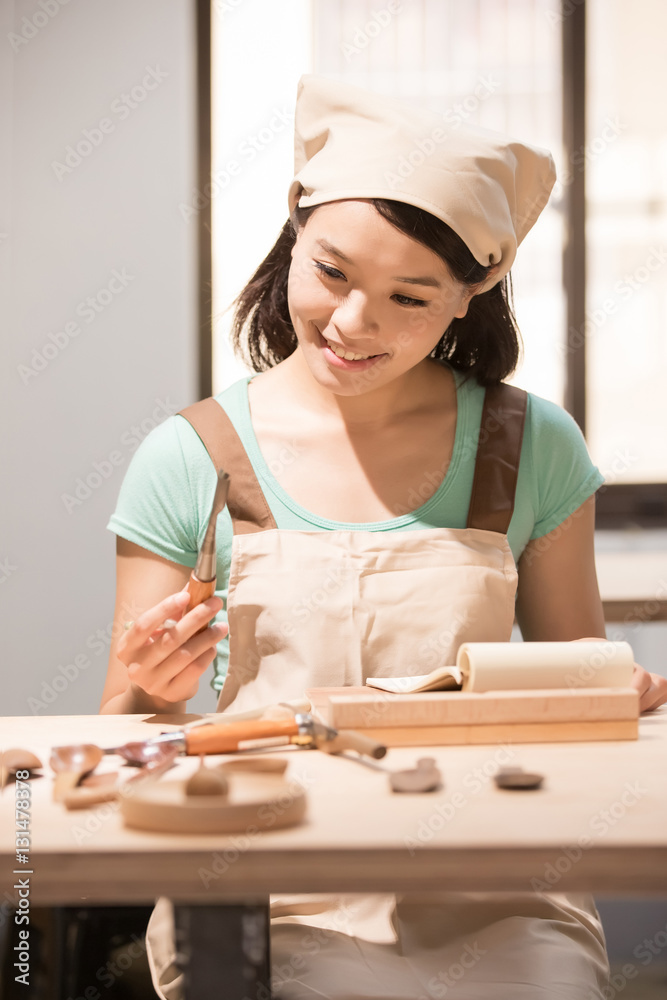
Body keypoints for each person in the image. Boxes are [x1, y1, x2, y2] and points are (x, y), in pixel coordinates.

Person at [101, 75, 667, 999]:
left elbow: (577, 688)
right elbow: (122, 740)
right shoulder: (190, 456)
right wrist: (151, 696)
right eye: (331, 272)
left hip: (497, 887)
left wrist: (612, 689)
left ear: (468, 298)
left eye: (410, 297)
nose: (353, 324)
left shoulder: (528, 445)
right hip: (269, 885)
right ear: (294, 233)